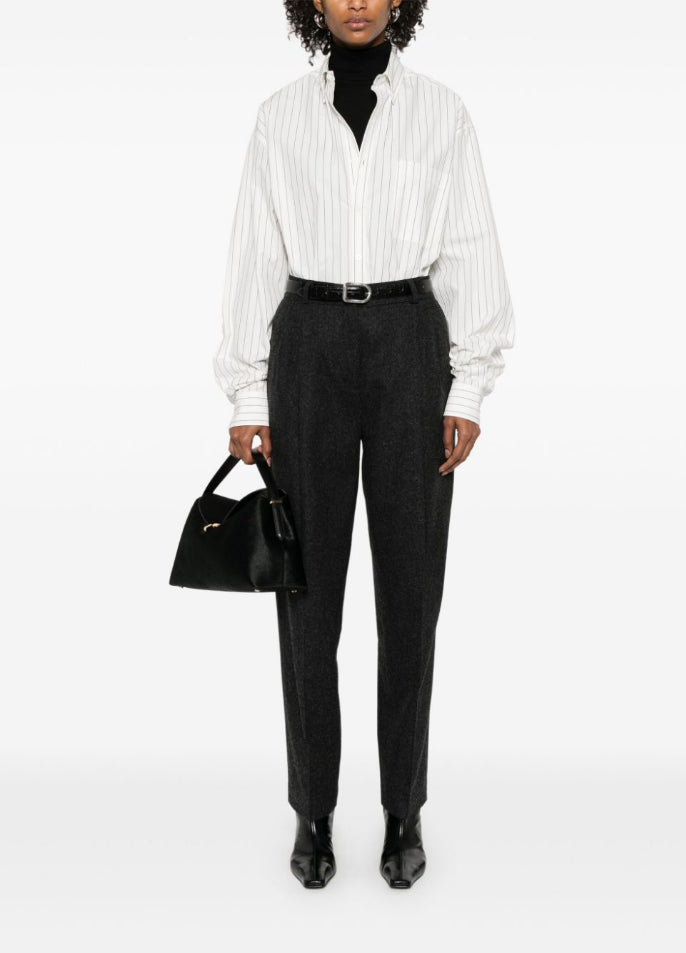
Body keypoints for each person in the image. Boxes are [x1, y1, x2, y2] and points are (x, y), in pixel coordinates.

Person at [213, 0, 515, 889]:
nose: (355, 1)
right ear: (312, 2)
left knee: (410, 592)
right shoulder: (279, 118)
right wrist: (248, 390)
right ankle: (313, 810)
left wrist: (468, 387)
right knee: (306, 591)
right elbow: (254, 254)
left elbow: (470, 247)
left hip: (408, 340)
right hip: (306, 341)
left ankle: (403, 809)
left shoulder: (442, 113)